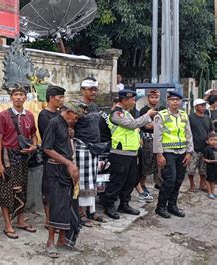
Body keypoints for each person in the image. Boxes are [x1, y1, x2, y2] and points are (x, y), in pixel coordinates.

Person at [100, 89, 157, 219]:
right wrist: (148, 115)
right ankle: (109, 206)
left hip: (131, 152)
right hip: (120, 153)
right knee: (117, 181)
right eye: (132, 100)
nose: (134, 102)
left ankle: (124, 204)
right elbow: (132, 125)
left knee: (130, 181)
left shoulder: (126, 113)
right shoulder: (117, 114)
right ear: (124, 100)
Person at [0, 84, 38, 239]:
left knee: (22, 189)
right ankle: (8, 224)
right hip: (8, 156)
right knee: (6, 191)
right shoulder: (4, 116)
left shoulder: (30, 116)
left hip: (23, 156)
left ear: (25, 97)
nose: (19, 97)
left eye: (21, 94)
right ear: (11, 98)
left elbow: (33, 134)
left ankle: (20, 220)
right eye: (16, 95)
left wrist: (33, 146)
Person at [42, 101, 84, 256]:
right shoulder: (53, 123)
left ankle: (63, 239)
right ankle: (50, 242)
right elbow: (46, 148)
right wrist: (68, 163)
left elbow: (65, 147)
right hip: (55, 170)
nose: (76, 120)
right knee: (56, 205)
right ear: (67, 112)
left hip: (67, 170)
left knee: (69, 204)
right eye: (75, 117)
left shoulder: (67, 125)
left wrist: (71, 164)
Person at [154, 91, 193, 218]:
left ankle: (172, 206)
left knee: (178, 180)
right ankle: (161, 207)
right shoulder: (162, 115)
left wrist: (189, 152)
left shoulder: (183, 115)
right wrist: (159, 154)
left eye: (178, 99)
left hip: (182, 152)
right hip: (168, 153)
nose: (175, 102)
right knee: (169, 180)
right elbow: (157, 137)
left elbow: (188, 134)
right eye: (172, 99)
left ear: (181, 101)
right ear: (168, 101)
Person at [74, 77, 104, 225]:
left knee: (92, 180)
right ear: (82, 90)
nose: (93, 92)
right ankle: (81, 212)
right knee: (83, 181)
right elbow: (71, 127)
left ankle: (91, 210)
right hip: (82, 147)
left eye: (95, 89)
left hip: (94, 147)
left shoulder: (94, 107)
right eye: (90, 89)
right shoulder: (77, 107)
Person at [37, 85, 65, 229]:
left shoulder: (61, 114)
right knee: (48, 189)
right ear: (51, 98)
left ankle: (58, 218)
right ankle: (48, 219)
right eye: (60, 97)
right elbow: (50, 139)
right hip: (51, 157)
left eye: (62, 97)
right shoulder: (44, 115)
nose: (62, 100)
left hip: (62, 156)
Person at [136, 89, 164, 202]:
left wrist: (155, 125)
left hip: (159, 138)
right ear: (148, 98)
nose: (154, 99)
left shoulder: (162, 109)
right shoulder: (145, 110)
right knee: (147, 163)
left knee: (159, 163)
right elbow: (146, 126)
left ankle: (158, 183)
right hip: (147, 138)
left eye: (156, 97)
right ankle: (142, 184)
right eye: (152, 97)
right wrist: (157, 125)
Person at [187, 98, 214, 192]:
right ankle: (192, 185)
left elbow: (211, 131)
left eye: (204, 105)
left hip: (206, 148)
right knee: (191, 169)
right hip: (194, 148)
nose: (203, 107)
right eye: (201, 105)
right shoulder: (190, 118)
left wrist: (213, 142)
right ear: (196, 107)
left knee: (203, 169)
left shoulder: (207, 118)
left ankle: (202, 184)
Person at [202, 132, 217, 199]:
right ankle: (209, 193)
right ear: (207, 141)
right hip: (209, 167)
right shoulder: (206, 149)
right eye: (211, 140)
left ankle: (213, 192)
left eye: (215, 140)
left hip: (215, 167)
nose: (214, 142)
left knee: (213, 180)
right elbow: (204, 159)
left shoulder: (216, 149)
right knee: (208, 180)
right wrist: (210, 161)